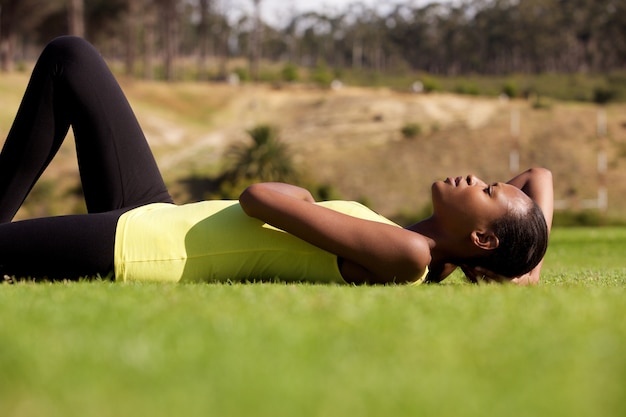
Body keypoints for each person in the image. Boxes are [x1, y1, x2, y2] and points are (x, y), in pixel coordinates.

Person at [0, 36, 553, 285]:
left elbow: (259, 198)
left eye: (486, 192)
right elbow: (538, 178)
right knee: (70, 58)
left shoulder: (411, 254)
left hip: (145, 249)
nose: (477, 178)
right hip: (157, 213)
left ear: (482, 238)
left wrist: (302, 199)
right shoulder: (435, 253)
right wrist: (526, 266)